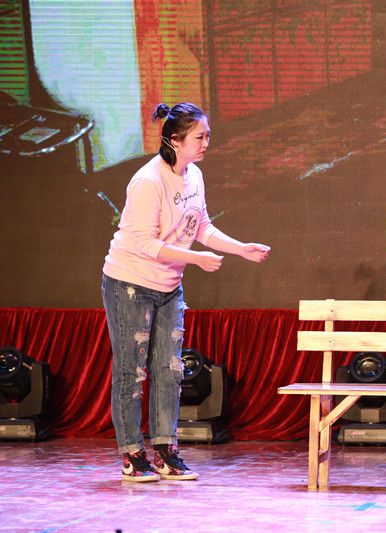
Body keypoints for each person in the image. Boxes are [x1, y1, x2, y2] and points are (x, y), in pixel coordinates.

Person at [101, 102, 270, 482]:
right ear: (174, 141)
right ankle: (132, 455)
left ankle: (165, 451)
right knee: (132, 373)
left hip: (168, 286)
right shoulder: (148, 181)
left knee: (170, 370)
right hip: (130, 284)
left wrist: (240, 248)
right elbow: (144, 243)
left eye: (208, 136)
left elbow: (201, 226)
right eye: (199, 137)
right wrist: (195, 259)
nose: (206, 143)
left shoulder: (194, 175)